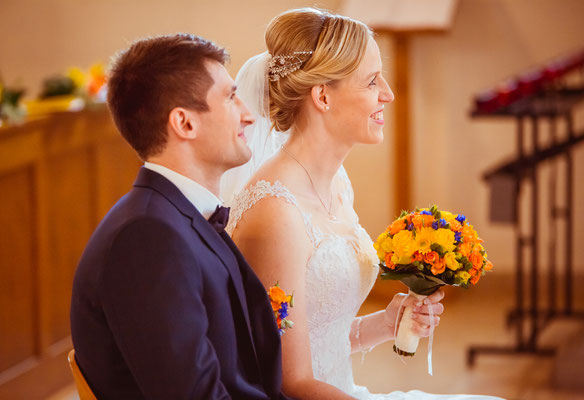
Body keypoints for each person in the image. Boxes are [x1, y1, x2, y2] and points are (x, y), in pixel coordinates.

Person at [223, 8, 504, 400]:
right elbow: (290, 382)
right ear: (322, 95)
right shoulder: (275, 213)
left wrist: (387, 323)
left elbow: (322, 340)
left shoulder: (336, 182)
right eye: (372, 81)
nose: (387, 93)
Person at [70, 33, 294, 400]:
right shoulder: (146, 238)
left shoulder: (177, 217)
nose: (249, 114)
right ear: (185, 124)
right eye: (230, 97)